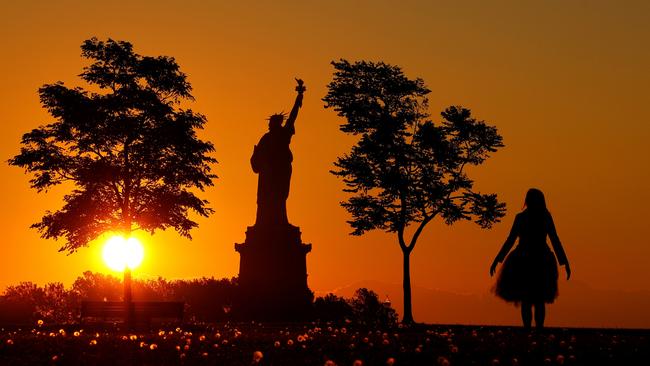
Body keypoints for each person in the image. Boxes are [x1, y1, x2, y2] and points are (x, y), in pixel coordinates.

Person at [490, 188, 571, 330]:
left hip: (531, 259)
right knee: (534, 299)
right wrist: (497, 259)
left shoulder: (532, 217)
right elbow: (511, 239)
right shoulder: (538, 217)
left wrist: (564, 261)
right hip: (534, 259)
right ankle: (534, 329)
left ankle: (532, 328)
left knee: (530, 299)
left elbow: (554, 238)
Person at [251, 78, 306, 227]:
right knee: (265, 199)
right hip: (268, 173)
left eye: (271, 123)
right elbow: (257, 157)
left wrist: (299, 97)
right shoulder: (266, 138)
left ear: (277, 123)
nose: (269, 125)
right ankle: (264, 223)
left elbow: (293, 116)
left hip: (281, 170)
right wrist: (259, 160)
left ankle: (280, 222)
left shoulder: (284, 133)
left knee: (280, 197)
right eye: (269, 123)